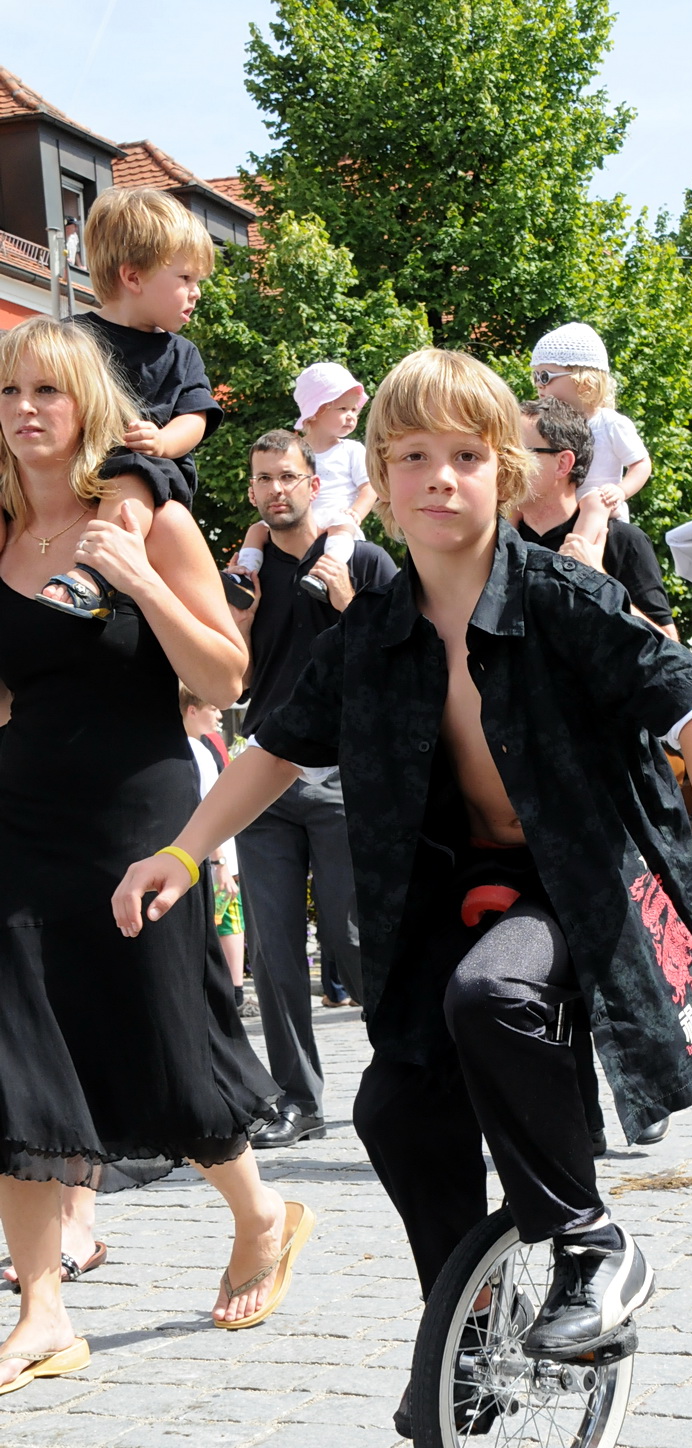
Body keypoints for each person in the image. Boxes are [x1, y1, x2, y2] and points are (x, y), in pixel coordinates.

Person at [113, 347, 692, 1437]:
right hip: (443, 888)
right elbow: (272, 749)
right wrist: (182, 853)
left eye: (467, 456)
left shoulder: (565, 596)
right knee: (387, 1107)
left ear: (506, 472)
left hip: (576, 881)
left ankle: (588, 1243)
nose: (441, 478)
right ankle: (459, 1329)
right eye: (414, 456)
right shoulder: (369, 630)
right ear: (378, 472)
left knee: (494, 996)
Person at [0, 317, 314, 1399]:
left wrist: (136, 577)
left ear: (88, 403)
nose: (28, 408)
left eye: (49, 388)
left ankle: (262, 1213)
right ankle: (43, 1308)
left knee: (162, 1042)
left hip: (136, 817)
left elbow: (226, 678)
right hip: (17, 815)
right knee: (15, 1057)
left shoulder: (144, 513)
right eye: (9, 391)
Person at [230, 428, 396, 1148]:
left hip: (342, 773)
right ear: (251, 491)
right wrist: (233, 613)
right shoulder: (244, 574)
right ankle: (299, 1098)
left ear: (313, 484)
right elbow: (226, 679)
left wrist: (349, 601)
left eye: (287, 477)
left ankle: (411, 1073)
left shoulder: (363, 559)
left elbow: (403, 665)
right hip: (262, 772)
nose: (275, 490)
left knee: (353, 939)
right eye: (263, 478)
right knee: (272, 951)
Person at [7, 189, 220, 616]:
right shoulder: (71, 339)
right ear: (134, 277)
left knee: (130, 471)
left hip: (146, 470)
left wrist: (161, 442)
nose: (195, 292)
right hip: (76, 467)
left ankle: (93, 576)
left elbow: (195, 418)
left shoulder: (181, 353)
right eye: (185, 279)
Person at [517, 397, 677, 639]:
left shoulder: (622, 540)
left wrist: (598, 580)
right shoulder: (495, 543)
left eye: (520, 453)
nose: (505, 464)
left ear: (563, 463)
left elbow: (669, 646)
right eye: (501, 451)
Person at [230, 364, 375, 593]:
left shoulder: (351, 450)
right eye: (343, 409)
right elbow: (271, 478)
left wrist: (355, 513)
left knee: (341, 530)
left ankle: (324, 574)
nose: (351, 417)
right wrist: (258, 492)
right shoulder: (293, 450)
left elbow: (369, 487)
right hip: (295, 520)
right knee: (255, 531)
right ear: (317, 411)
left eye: (354, 410)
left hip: (335, 516)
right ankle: (244, 577)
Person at [529, 322, 652, 561]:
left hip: (602, 503)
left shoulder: (609, 423)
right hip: (563, 503)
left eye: (545, 376)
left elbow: (641, 463)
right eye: (535, 376)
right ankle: (498, 554)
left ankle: (573, 558)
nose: (539, 385)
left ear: (583, 380)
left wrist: (620, 490)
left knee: (593, 500)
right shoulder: (546, 423)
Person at [181, 687, 248, 1007]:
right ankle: (232, 993)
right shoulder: (196, 749)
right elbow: (207, 804)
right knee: (226, 923)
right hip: (213, 858)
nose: (220, 714)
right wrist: (220, 864)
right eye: (212, 708)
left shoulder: (198, 747)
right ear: (192, 710)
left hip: (206, 856)